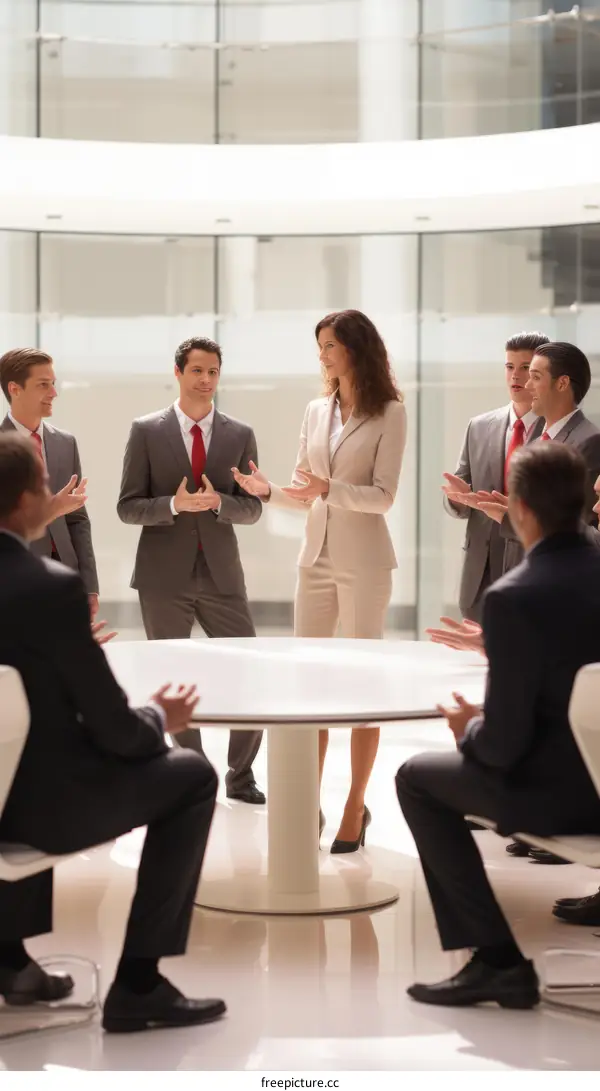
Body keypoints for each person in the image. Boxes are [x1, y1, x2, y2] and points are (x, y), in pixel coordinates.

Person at [0, 433, 225, 1032]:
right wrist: (160, 718)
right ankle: (140, 985)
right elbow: (116, 730)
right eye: (43, 487)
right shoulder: (49, 588)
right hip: (33, 812)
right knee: (192, 776)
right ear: (25, 502)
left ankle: (10, 962)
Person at [396, 442, 600, 1009]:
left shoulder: (514, 597)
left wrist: (469, 729)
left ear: (520, 509)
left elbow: (504, 747)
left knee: (416, 779)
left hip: (564, 801)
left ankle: (497, 961)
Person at [233, 309, 407, 851]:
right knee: (310, 687)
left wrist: (328, 489)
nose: (323, 355)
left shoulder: (391, 412)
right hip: (315, 561)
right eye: (321, 346)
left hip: (365, 564)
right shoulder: (316, 410)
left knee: (362, 689)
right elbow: (306, 493)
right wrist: (268, 492)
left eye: (330, 345)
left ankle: (356, 804)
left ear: (355, 348)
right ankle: (307, 802)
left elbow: (383, 498)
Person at [117, 336, 264, 805]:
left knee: (250, 672)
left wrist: (221, 502)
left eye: (213, 372)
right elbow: (127, 506)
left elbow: (253, 508)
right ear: (178, 372)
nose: (206, 380)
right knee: (172, 676)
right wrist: (173, 506)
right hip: (163, 578)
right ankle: (194, 774)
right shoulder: (146, 430)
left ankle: (241, 776)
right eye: (197, 370)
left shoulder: (239, 434)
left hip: (222, 575)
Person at [442, 332, 548, 622]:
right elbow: (459, 497)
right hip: (481, 571)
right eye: (509, 366)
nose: (516, 376)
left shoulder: (556, 431)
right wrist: (458, 499)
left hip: (531, 566)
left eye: (525, 367)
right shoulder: (478, 426)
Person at [473, 342, 600, 572]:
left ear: (562, 383)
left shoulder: (588, 442)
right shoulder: (534, 440)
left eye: (535, 377)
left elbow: (578, 532)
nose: (527, 385)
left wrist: (511, 517)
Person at [0, 347, 99, 619]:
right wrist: (53, 509)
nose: (54, 393)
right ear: (15, 389)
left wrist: (90, 586)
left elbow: (78, 520)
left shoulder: (65, 443)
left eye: (53, 383)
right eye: (43, 384)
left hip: (66, 574)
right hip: (15, 578)